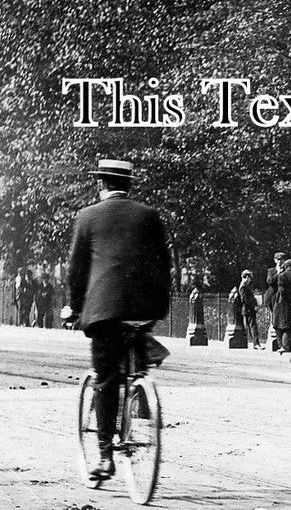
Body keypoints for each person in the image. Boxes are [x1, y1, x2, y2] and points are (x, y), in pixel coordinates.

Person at [65, 158, 171, 481]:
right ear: (129, 186)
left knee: (106, 377)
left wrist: (74, 308)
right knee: (135, 341)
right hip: (145, 307)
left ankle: (105, 455)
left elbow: (76, 270)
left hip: (105, 311)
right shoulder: (150, 215)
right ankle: (141, 383)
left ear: (101, 185)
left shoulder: (87, 216)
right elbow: (164, 264)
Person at [263, 251, 284, 351]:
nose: (280, 261)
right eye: (278, 259)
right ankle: (274, 337)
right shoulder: (271, 270)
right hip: (273, 296)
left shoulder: (286, 270)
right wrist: (278, 274)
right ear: (275, 260)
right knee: (274, 317)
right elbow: (269, 281)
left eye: (281, 259)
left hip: (282, 296)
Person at [237, 270, 263, 349]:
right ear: (247, 277)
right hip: (249, 309)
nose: (250, 280)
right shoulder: (243, 286)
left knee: (251, 326)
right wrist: (254, 305)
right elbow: (245, 299)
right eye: (250, 278)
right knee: (253, 326)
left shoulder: (244, 286)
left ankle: (255, 343)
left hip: (248, 309)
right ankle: (256, 344)